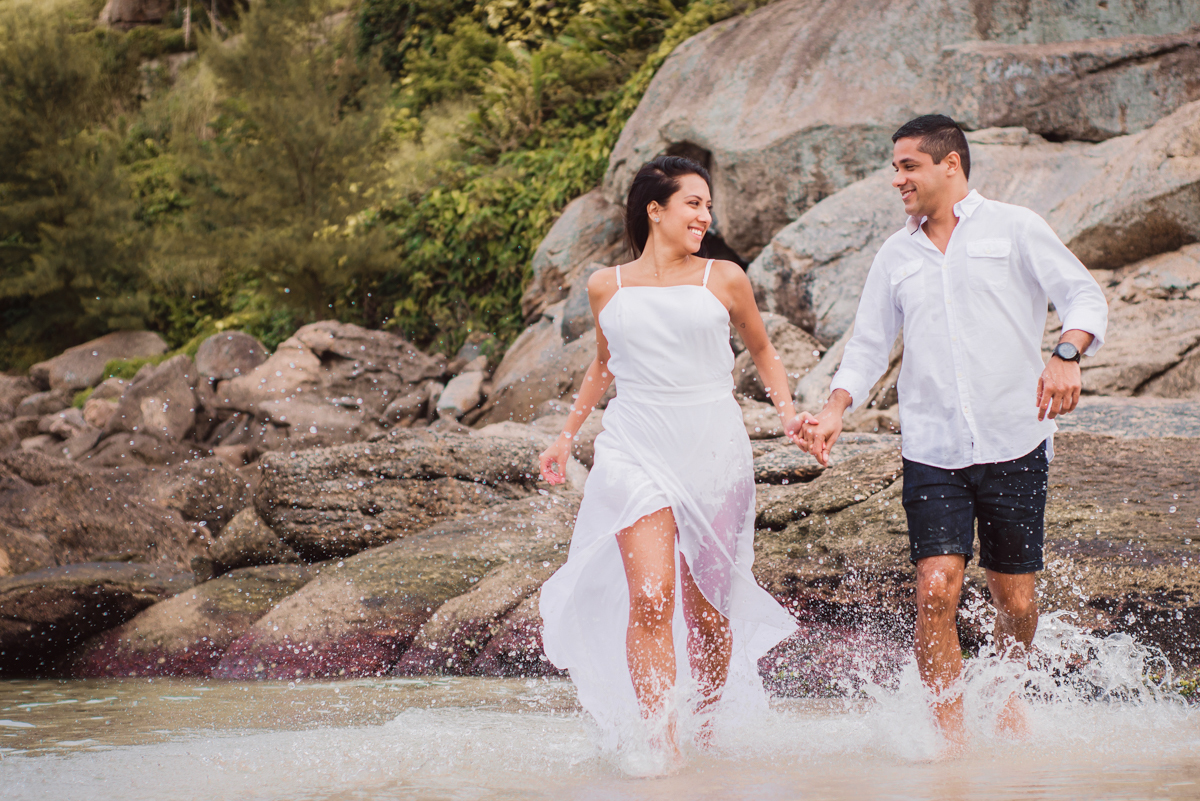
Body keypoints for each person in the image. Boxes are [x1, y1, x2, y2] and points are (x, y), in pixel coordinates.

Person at [791, 115, 1108, 753]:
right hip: (932, 449)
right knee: (936, 589)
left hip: (1015, 439)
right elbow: (868, 345)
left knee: (1015, 602)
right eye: (895, 168)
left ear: (950, 165)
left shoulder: (1014, 227)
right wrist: (835, 408)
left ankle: (1008, 698)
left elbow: (1084, 298)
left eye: (908, 166)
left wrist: (1066, 354)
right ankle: (951, 744)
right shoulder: (895, 254)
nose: (897, 179)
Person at [537, 155, 799, 765]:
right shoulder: (607, 285)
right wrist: (565, 436)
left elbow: (762, 350)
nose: (705, 217)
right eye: (693, 204)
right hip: (634, 445)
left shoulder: (723, 278)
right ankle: (661, 747)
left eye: (708, 206)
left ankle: (705, 732)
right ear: (655, 209)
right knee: (652, 597)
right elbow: (604, 363)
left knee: (707, 611)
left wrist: (789, 415)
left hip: (712, 448)